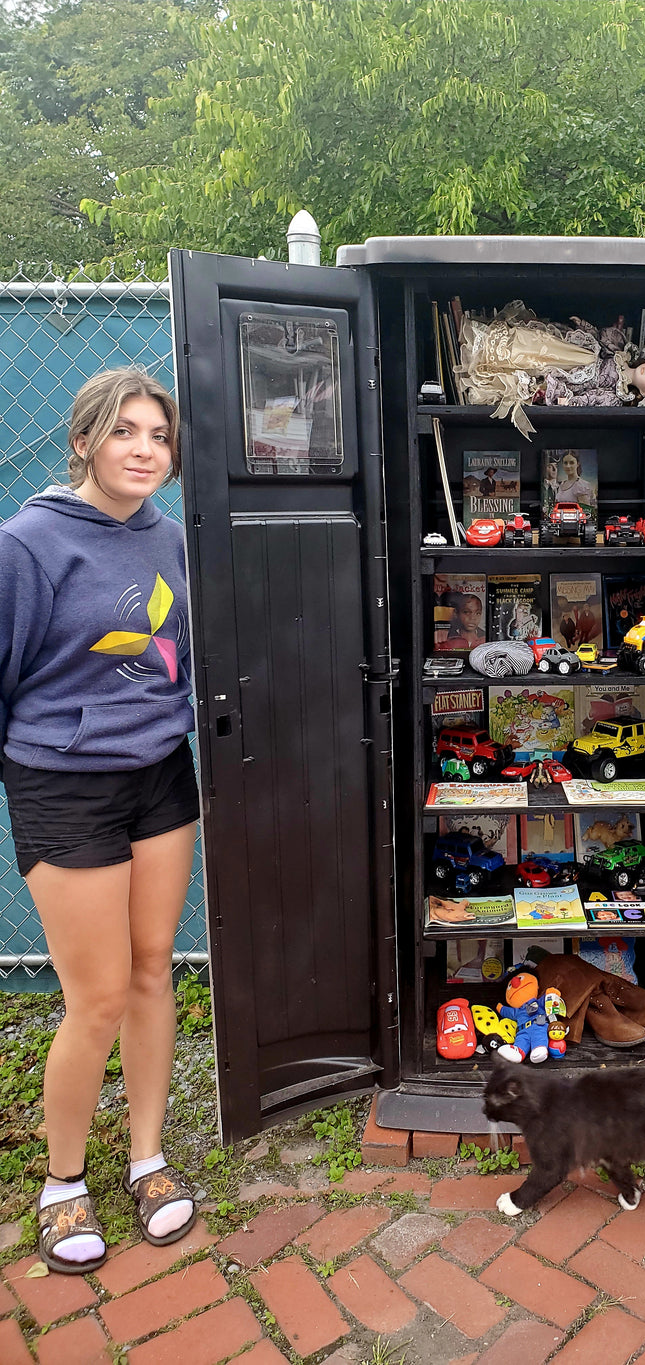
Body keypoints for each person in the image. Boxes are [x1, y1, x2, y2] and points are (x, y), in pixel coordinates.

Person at [0, 369, 200, 1275]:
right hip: (63, 785)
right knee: (98, 997)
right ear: (82, 440)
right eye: (124, 432)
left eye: (158, 435)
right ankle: (63, 1181)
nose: (144, 450)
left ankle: (148, 1159)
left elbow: (180, 658)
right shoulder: (29, 544)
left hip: (160, 777)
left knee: (154, 970)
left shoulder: (173, 541)